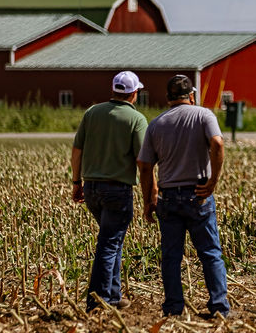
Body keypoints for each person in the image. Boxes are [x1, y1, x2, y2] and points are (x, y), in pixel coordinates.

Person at [138, 75, 230, 318]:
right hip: (197, 194)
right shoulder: (204, 115)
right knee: (210, 252)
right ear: (192, 95)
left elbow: (145, 165)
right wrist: (212, 182)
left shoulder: (156, 124)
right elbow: (218, 144)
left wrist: (148, 200)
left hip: (168, 197)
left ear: (168, 98)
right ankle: (219, 306)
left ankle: (173, 307)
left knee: (171, 255)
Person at [71, 70, 149, 312]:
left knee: (112, 241)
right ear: (134, 94)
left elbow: (77, 151)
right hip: (117, 190)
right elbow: (142, 160)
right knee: (108, 244)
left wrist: (76, 182)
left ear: (114, 90)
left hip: (92, 188)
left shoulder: (92, 112)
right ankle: (98, 300)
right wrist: (151, 192)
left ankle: (114, 295)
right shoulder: (136, 120)